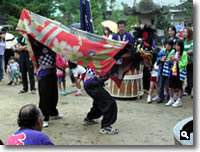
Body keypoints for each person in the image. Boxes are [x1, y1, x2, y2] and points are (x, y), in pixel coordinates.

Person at [29, 36, 63, 128]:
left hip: (52, 71)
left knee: (54, 94)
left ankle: (53, 112)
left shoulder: (51, 45)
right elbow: (31, 37)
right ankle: (43, 118)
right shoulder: (37, 44)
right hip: (43, 73)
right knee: (44, 96)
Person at [83, 68, 119, 134]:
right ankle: (106, 127)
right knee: (109, 103)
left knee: (99, 103)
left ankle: (89, 118)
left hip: (91, 83)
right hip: (92, 84)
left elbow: (116, 75)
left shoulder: (111, 62)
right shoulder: (109, 60)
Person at [165, 39, 187, 107]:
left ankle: (179, 100)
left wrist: (177, 60)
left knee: (180, 86)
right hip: (173, 70)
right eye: (176, 45)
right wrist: (171, 59)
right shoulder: (173, 52)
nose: (176, 47)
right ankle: (171, 99)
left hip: (179, 71)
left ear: (181, 46)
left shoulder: (184, 53)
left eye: (178, 46)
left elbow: (184, 63)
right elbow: (168, 60)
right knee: (170, 85)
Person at [183, 27, 193, 96]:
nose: (184, 33)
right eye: (183, 32)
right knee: (188, 75)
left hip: (192, 61)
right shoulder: (184, 41)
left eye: (186, 32)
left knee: (191, 76)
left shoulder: (193, 41)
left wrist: (184, 52)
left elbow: (192, 50)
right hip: (186, 61)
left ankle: (189, 90)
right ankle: (188, 89)